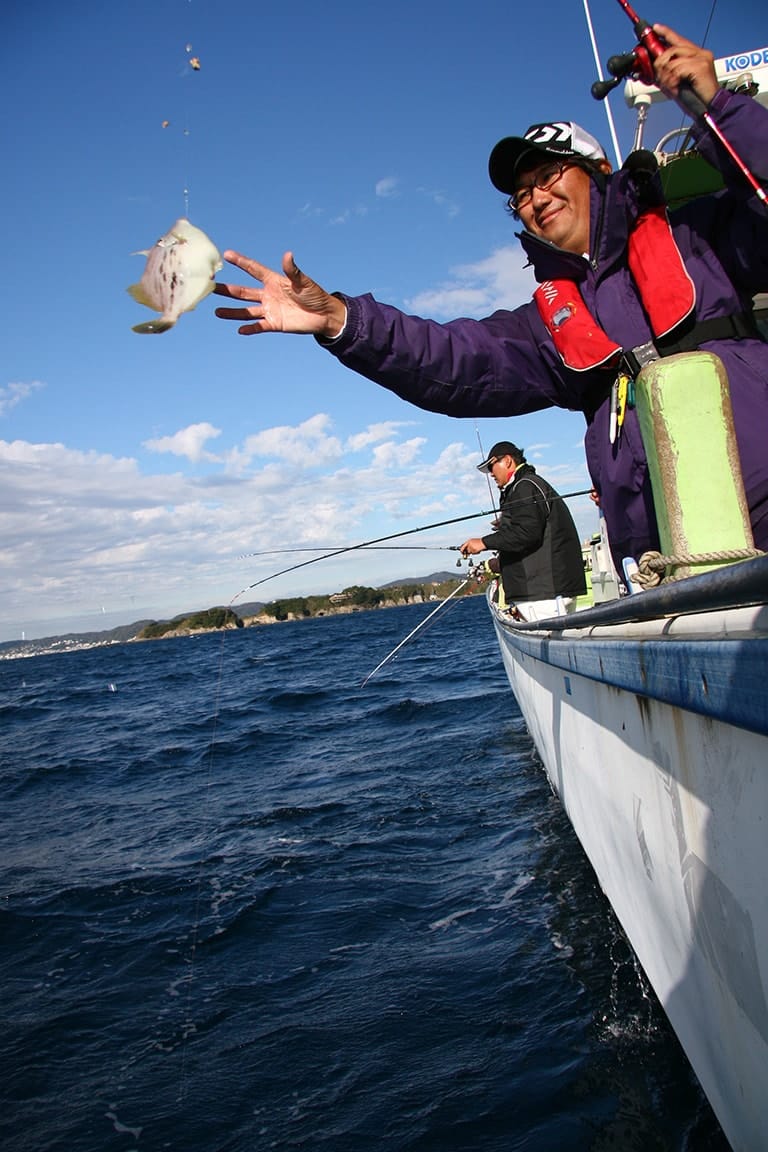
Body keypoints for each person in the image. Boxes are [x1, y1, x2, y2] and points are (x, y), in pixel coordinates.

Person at [214, 24, 768, 571]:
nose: (535, 198)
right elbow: (453, 360)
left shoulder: (698, 235)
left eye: (549, 174)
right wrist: (341, 319)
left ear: (599, 171)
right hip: (661, 559)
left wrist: (716, 104)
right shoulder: (545, 324)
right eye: (521, 195)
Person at [458, 441, 586, 620]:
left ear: (507, 461)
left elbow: (527, 533)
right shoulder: (527, 485)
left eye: (492, 466)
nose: (491, 474)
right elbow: (530, 526)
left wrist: (483, 543)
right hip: (549, 589)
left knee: (549, 635)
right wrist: (506, 526)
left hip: (543, 593)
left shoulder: (525, 486)